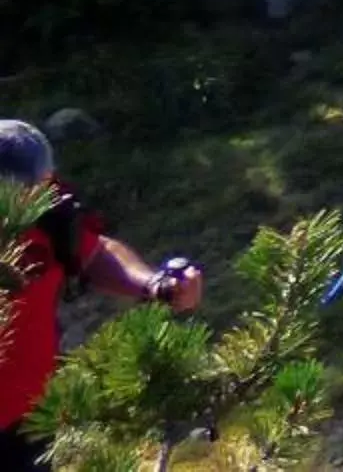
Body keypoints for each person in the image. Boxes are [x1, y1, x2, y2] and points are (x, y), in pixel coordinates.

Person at [2, 119, 204, 472]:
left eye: (35, 192)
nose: (23, 207)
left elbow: (94, 253)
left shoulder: (50, 214)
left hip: (31, 417)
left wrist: (154, 284)